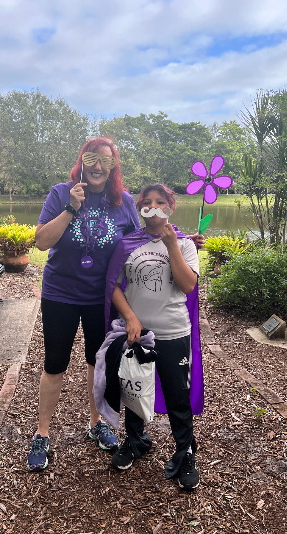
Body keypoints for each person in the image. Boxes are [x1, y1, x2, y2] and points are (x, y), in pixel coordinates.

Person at [26, 140, 204, 472]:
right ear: (82, 161)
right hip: (60, 293)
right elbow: (41, 242)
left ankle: (97, 423)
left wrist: (181, 240)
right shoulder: (61, 192)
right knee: (54, 364)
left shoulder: (122, 202)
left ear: (113, 167)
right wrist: (70, 208)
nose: (98, 167)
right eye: (92, 159)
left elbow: (143, 237)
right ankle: (42, 433)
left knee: (98, 361)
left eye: (105, 161)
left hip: (101, 297)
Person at [104, 184, 202, 490]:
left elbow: (188, 285)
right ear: (140, 209)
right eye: (147, 202)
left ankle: (185, 451)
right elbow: (113, 285)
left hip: (174, 333)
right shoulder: (127, 244)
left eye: (161, 202)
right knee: (134, 389)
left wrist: (172, 245)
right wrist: (130, 318)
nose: (154, 207)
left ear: (170, 206)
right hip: (137, 334)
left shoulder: (184, 244)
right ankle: (136, 441)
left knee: (177, 396)